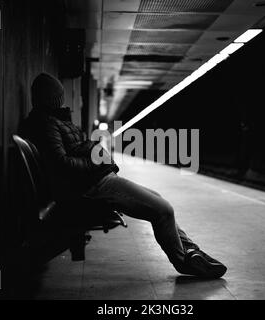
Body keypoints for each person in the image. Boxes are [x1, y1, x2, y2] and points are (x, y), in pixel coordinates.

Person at [20, 73, 227, 279]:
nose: (62, 99)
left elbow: (69, 155)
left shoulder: (54, 120)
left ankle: (193, 252)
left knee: (158, 199)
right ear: (53, 98)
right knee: (163, 210)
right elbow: (61, 163)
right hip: (92, 186)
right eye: (59, 95)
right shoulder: (46, 123)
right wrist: (95, 160)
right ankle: (183, 262)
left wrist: (94, 154)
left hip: (95, 181)